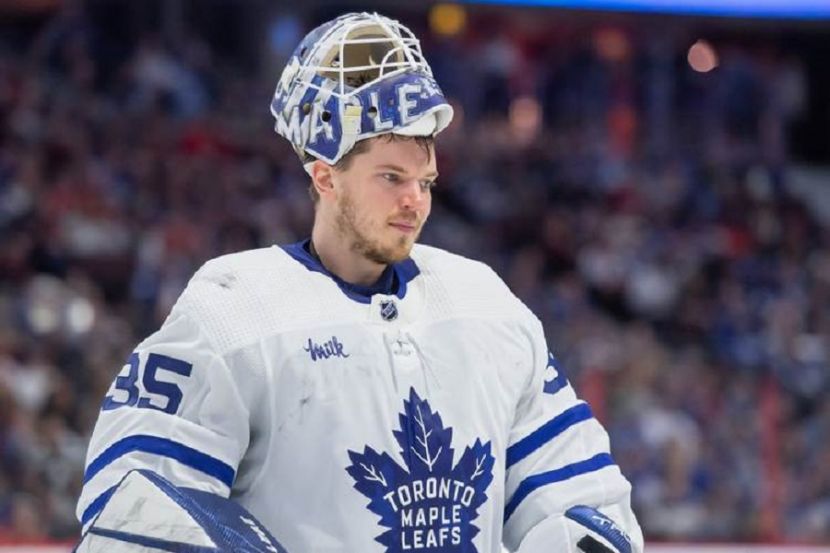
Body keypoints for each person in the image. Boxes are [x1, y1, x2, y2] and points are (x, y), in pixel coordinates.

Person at [76, 12, 644, 553]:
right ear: (326, 176)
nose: (415, 201)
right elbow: (135, 512)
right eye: (391, 177)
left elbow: (583, 503)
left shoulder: (487, 305)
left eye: (426, 181)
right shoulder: (233, 311)